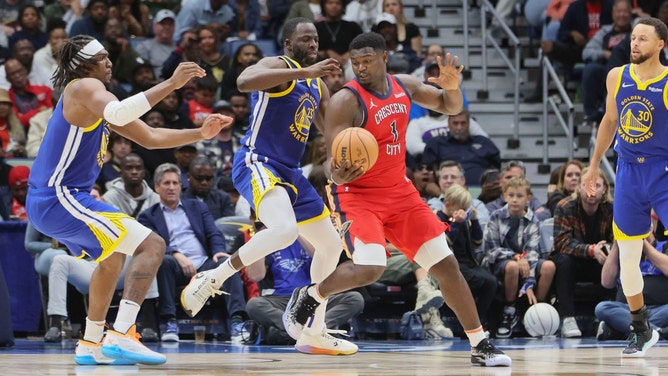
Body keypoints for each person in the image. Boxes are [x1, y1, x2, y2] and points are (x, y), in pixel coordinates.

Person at [283, 32, 511, 366]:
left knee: (447, 266)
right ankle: (312, 294)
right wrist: (337, 173)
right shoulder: (345, 101)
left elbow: (451, 107)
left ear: (384, 57)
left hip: (399, 192)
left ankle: (480, 343)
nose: (360, 68)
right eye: (355, 63)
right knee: (372, 266)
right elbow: (332, 160)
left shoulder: (405, 85)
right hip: (356, 195)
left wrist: (452, 86)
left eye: (367, 61)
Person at [25, 34, 232, 365]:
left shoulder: (95, 99)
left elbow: (149, 138)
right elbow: (121, 112)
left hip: (58, 199)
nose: (110, 62)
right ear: (85, 65)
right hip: (58, 195)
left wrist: (199, 134)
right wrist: (171, 83)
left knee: (113, 256)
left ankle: (91, 343)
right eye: (103, 57)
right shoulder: (83, 88)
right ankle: (122, 333)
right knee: (153, 245)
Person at [179, 17, 355, 355]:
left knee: (332, 246)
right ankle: (213, 277)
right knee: (285, 230)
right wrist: (304, 72)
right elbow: (244, 81)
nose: (314, 45)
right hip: (257, 161)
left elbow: (330, 133)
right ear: (289, 44)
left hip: (290, 172)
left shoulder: (319, 85)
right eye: (306, 39)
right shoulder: (279, 65)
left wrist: (345, 159)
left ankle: (313, 331)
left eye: (316, 39)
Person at [583, 16, 666, 357]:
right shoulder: (617, 76)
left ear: (661, 45)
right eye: (633, 38)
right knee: (628, 256)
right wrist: (591, 168)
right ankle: (641, 327)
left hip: (663, 171)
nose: (634, 43)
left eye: (643, 39)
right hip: (629, 172)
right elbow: (610, 121)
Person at [138, 163, 247, 343]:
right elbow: (153, 243)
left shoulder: (197, 207)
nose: (171, 187)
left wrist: (219, 251)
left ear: (181, 186)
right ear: (157, 187)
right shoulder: (148, 216)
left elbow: (213, 232)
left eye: (175, 183)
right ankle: (169, 322)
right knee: (163, 262)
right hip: (175, 266)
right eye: (166, 183)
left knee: (228, 264)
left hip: (204, 263)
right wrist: (176, 254)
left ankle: (237, 322)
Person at [245, 214, 364, 344]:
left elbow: (322, 255)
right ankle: (299, 330)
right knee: (254, 305)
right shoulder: (266, 239)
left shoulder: (308, 235)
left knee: (354, 298)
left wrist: (298, 230)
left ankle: (315, 329)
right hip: (279, 299)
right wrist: (262, 238)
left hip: (310, 296)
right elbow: (256, 276)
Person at [482, 177, 556, 338]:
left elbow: (533, 252)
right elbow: (491, 250)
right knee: (512, 267)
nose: (514, 200)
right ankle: (508, 312)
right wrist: (515, 257)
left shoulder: (533, 220)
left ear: (528, 198)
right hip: (500, 264)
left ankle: (537, 310)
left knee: (549, 266)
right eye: (511, 195)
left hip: (527, 263)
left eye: (519, 196)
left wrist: (529, 282)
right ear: (505, 196)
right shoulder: (496, 216)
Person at [553, 167, 614, 338]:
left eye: (597, 185)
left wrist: (606, 249)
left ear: (605, 190)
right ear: (578, 187)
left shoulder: (612, 209)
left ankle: (607, 317)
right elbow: (561, 243)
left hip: (600, 262)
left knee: (616, 260)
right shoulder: (564, 207)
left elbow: (617, 241)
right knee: (563, 260)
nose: (592, 190)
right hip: (575, 262)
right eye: (587, 185)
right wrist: (591, 249)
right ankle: (568, 318)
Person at [182, 155, 235, 220]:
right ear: (188, 176)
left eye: (208, 178)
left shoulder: (223, 199)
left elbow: (228, 226)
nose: (204, 182)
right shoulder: (180, 200)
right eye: (199, 178)